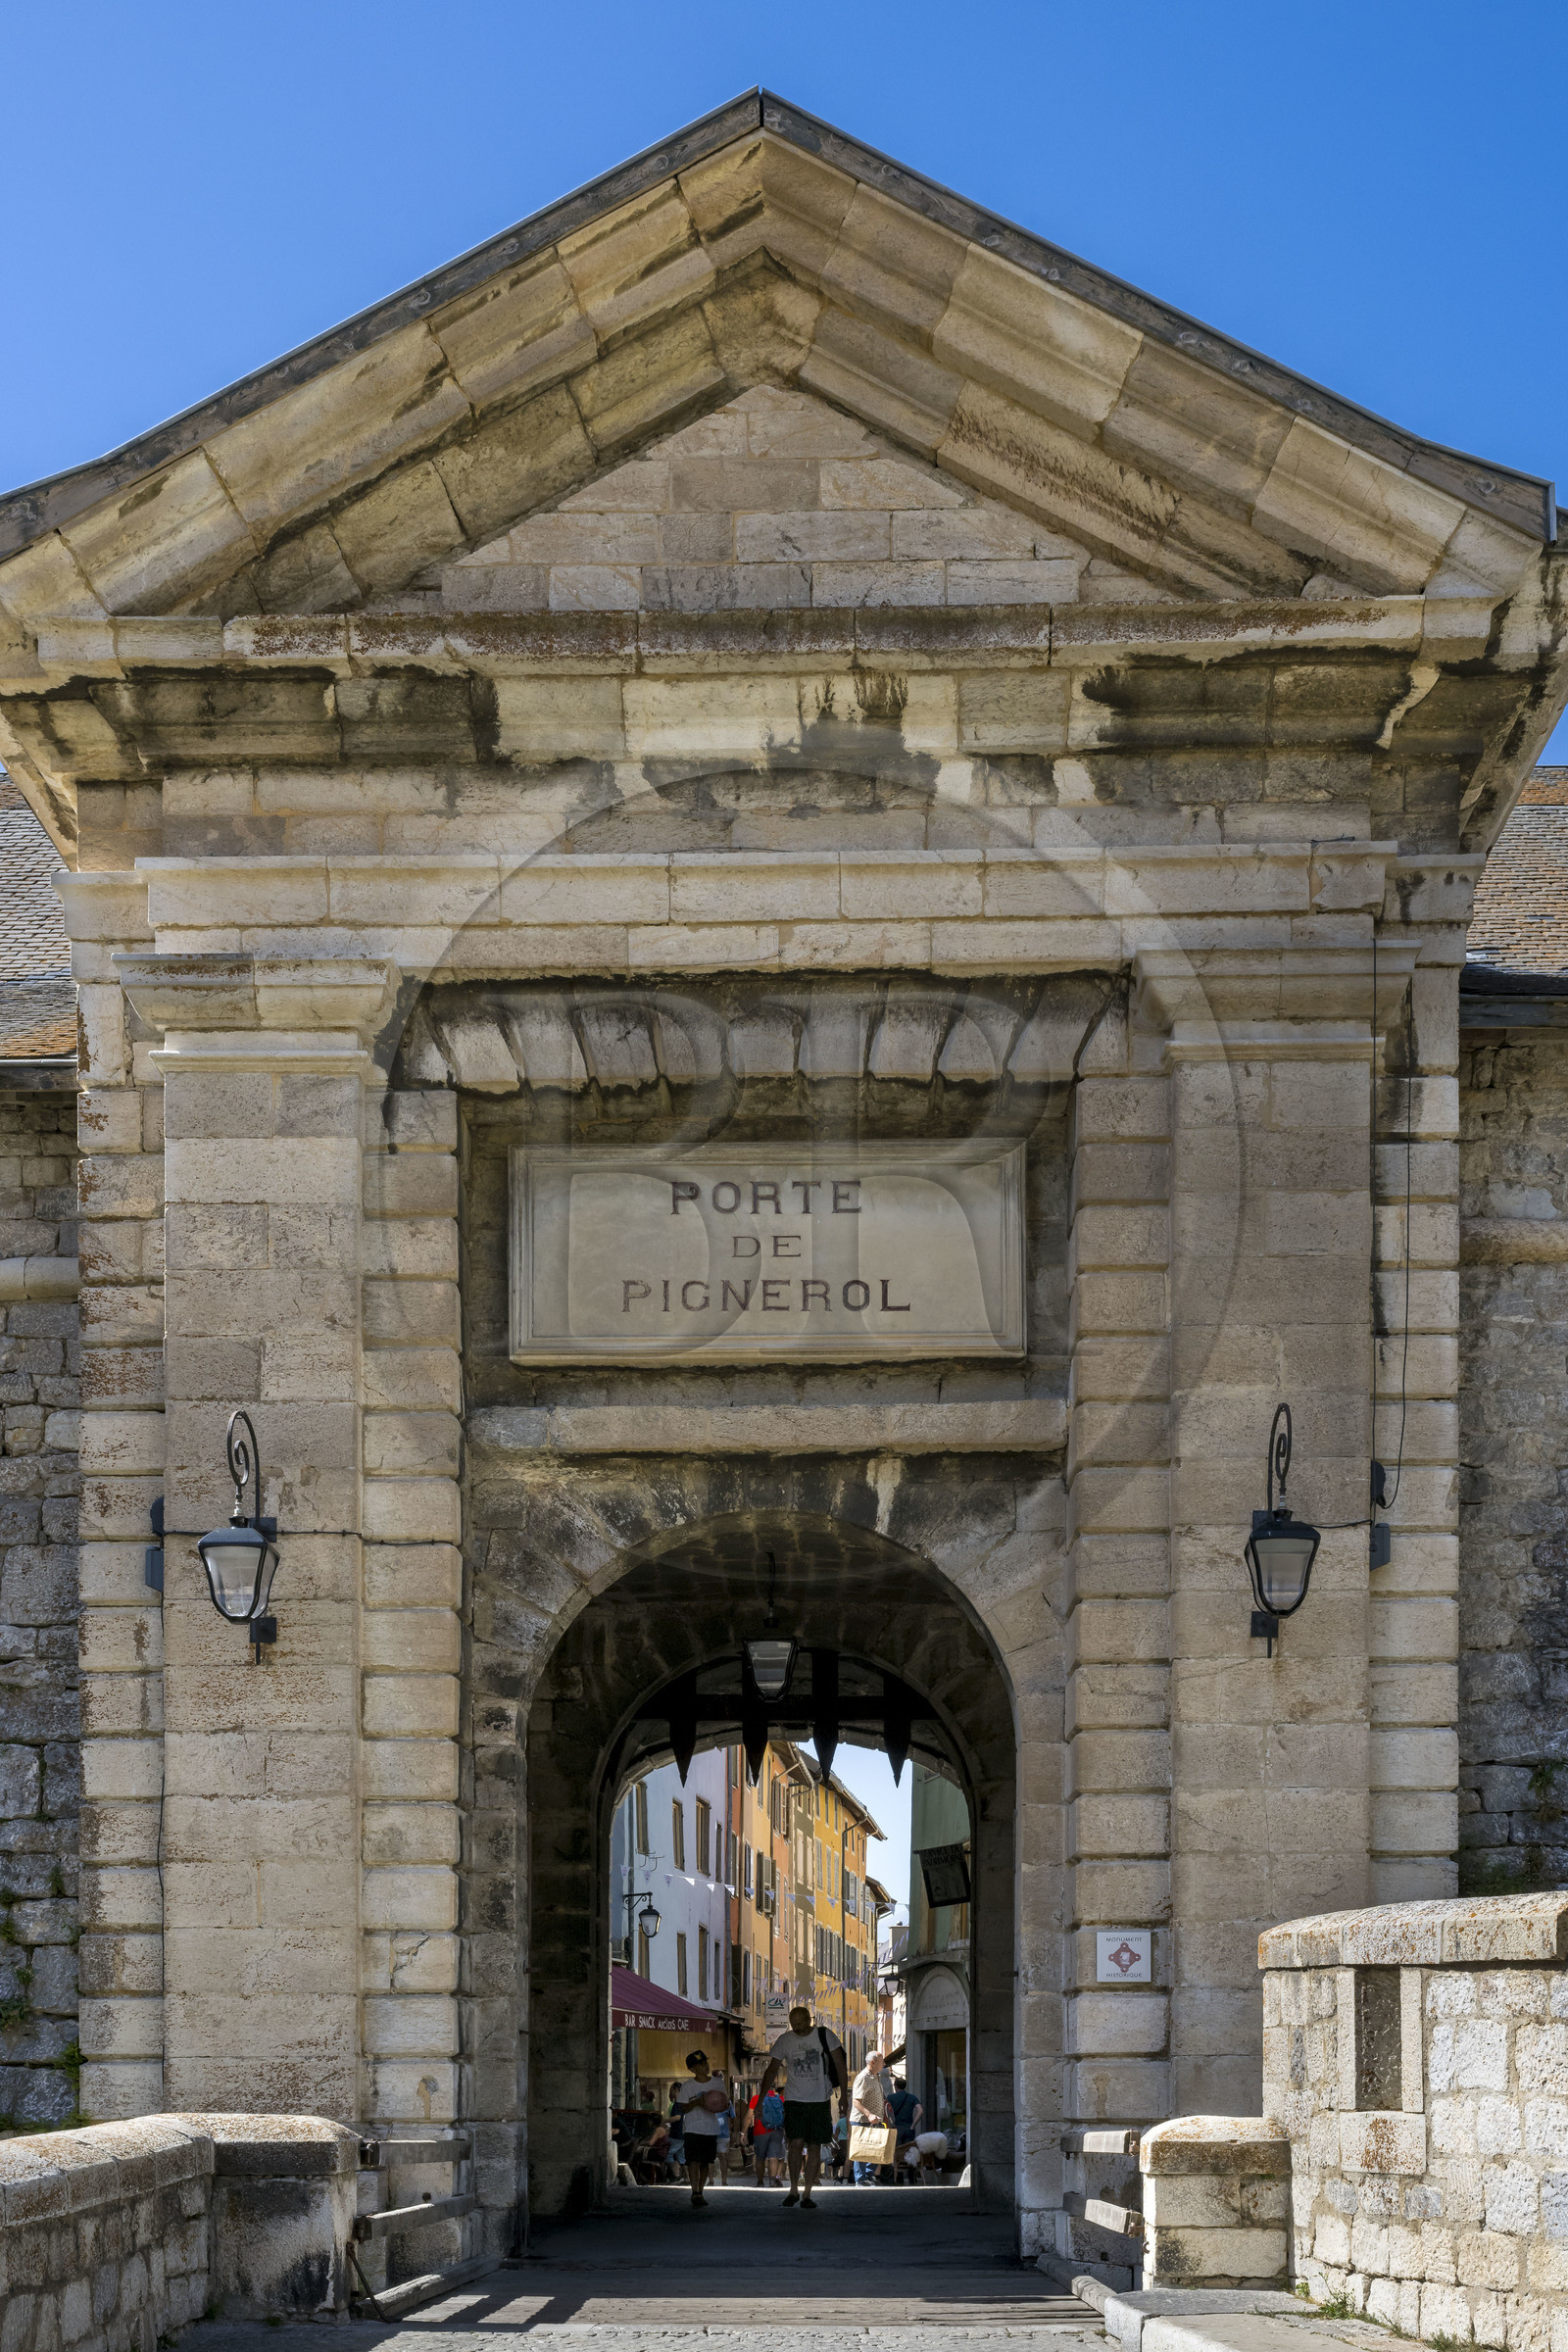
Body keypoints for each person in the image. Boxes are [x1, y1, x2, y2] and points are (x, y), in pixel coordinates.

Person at [758, 2002, 847, 2210]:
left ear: (809, 2020)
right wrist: (760, 2099)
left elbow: (840, 2065)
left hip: (820, 2100)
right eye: (793, 2024)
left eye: (800, 2023)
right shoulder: (785, 2040)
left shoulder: (825, 2035)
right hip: (794, 2100)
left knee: (815, 2146)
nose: (797, 2028)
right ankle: (793, 2190)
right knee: (795, 2144)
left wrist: (843, 2095)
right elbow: (771, 2070)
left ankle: (807, 2192)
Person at [672, 2051, 726, 2207]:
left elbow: (724, 2104)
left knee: (705, 2162)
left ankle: (700, 2191)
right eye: (701, 2064)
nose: (705, 2066)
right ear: (692, 2069)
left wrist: (712, 2105)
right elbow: (682, 2108)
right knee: (693, 2161)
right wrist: (697, 2102)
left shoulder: (717, 2083)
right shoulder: (688, 2086)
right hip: (692, 2128)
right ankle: (694, 2191)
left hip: (711, 2129)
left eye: (705, 2062)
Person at [850, 2047, 888, 2185]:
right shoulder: (863, 2077)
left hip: (875, 2120)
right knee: (861, 2150)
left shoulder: (876, 2077)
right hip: (862, 2119)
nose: (884, 2064)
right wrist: (869, 2114)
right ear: (872, 2062)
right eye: (881, 2061)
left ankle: (868, 2174)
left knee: (878, 2148)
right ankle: (860, 2179)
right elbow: (856, 2101)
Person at [885, 2074, 922, 2183]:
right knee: (910, 2152)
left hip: (896, 2129)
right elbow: (920, 2111)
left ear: (895, 2086)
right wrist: (913, 2125)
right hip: (909, 2129)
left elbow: (886, 2112)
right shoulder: (912, 2097)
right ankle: (912, 2178)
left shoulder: (890, 2097)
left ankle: (899, 2178)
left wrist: (890, 2125)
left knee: (897, 2154)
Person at [750, 2082, 786, 2186]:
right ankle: (772, 2181)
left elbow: (749, 2116)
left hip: (760, 2131)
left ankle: (760, 2182)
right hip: (777, 2130)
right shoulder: (781, 2099)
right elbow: (785, 2116)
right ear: (774, 2089)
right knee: (774, 2156)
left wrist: (743, 2132)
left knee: (760, 2158)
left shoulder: (756, 2098)